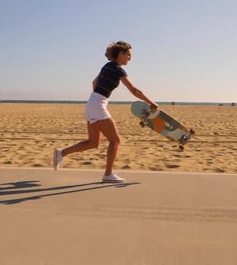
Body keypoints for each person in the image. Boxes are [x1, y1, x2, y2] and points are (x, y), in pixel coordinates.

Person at [53, 41, 158, 183]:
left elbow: (94, 83)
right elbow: (134, 91)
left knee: (93, 143)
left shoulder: (107, 67)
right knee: (115, 140)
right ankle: (108, 175)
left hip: (91, 104)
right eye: (128, 55)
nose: (130, 58)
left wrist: (99, 95)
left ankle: (61, 153)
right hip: (97, 106)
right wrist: (152, 103)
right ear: (121, 54)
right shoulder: (118, 69)